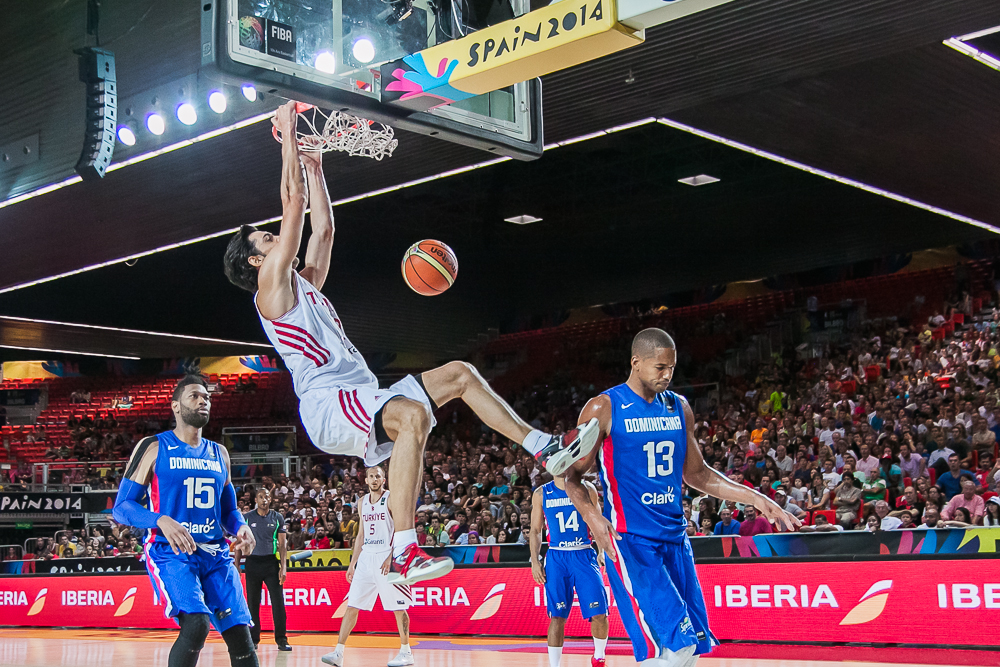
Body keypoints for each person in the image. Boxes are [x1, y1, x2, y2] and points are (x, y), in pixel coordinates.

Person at [223, 102, 600, 584]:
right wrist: (290, 135)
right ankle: (405, 547)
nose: (277, 239)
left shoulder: (306, 285)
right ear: (256, 263)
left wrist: (316, 167)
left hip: (359, 393)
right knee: (412, 416)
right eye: (267, 240)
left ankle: (543, 447)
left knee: (461, 374)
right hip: (328, 403)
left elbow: (325, 229)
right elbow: (294, 207)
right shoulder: (270, 288)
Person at [563, 328, 796, 666]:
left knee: (692, 649)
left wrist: (755, 498)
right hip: (631, 541)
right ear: (636, 362)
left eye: (671, 368)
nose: (667, 375)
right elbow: (570, 477)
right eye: (660, 367)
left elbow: (698, 474)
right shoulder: (604, 407)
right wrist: (593, 517)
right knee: (675, 649)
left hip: (675, 538)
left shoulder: (678, 406)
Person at [112, 375, 257, 667]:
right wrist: (159, 519)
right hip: (171, 552)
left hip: (215, 553)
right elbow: (122, 507)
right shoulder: (153, 446)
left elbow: (228, 511)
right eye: (194, 396)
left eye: (207, 397)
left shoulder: (220, 454)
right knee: (197, 625)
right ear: (175, 406)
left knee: (242, 634)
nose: (203, 400)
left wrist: (241, 526)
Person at [322, 466, 413, 667]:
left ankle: (406, 651)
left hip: (386, 556)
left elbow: (400, 529)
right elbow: (361, 535)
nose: (374, 479)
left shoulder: (390, 498)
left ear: (384, 479)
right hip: (366, 557)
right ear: (366, 480)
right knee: (352, 604)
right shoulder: (362, 502)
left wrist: (392, 556)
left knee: (399, 606)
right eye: (371, 476)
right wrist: (352, 563)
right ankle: (338, 652)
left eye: (378, 476)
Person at [529, 476, 609, 667]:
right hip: (557, 557)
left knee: (599, 613)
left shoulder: (586, 488)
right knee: (556, 617)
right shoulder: (541, 493)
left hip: (583, 554)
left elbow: (597, 520)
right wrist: (535, 560)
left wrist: (602, 550)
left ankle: (599, 658)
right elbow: (535, 530)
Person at [239, 487, 291, 651]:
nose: (264, 499)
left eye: (266, 496)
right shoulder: (246, 518)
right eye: (260, 496)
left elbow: (282, 544)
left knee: (278, 603)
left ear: (270, 499)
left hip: (270, 563)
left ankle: (282, 639)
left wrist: (283, 567)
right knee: (253, 604)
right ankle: (253, 639)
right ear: (256, 500)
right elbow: (239, 545)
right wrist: (236, 566)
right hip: (252, 563)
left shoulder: (277, 518)